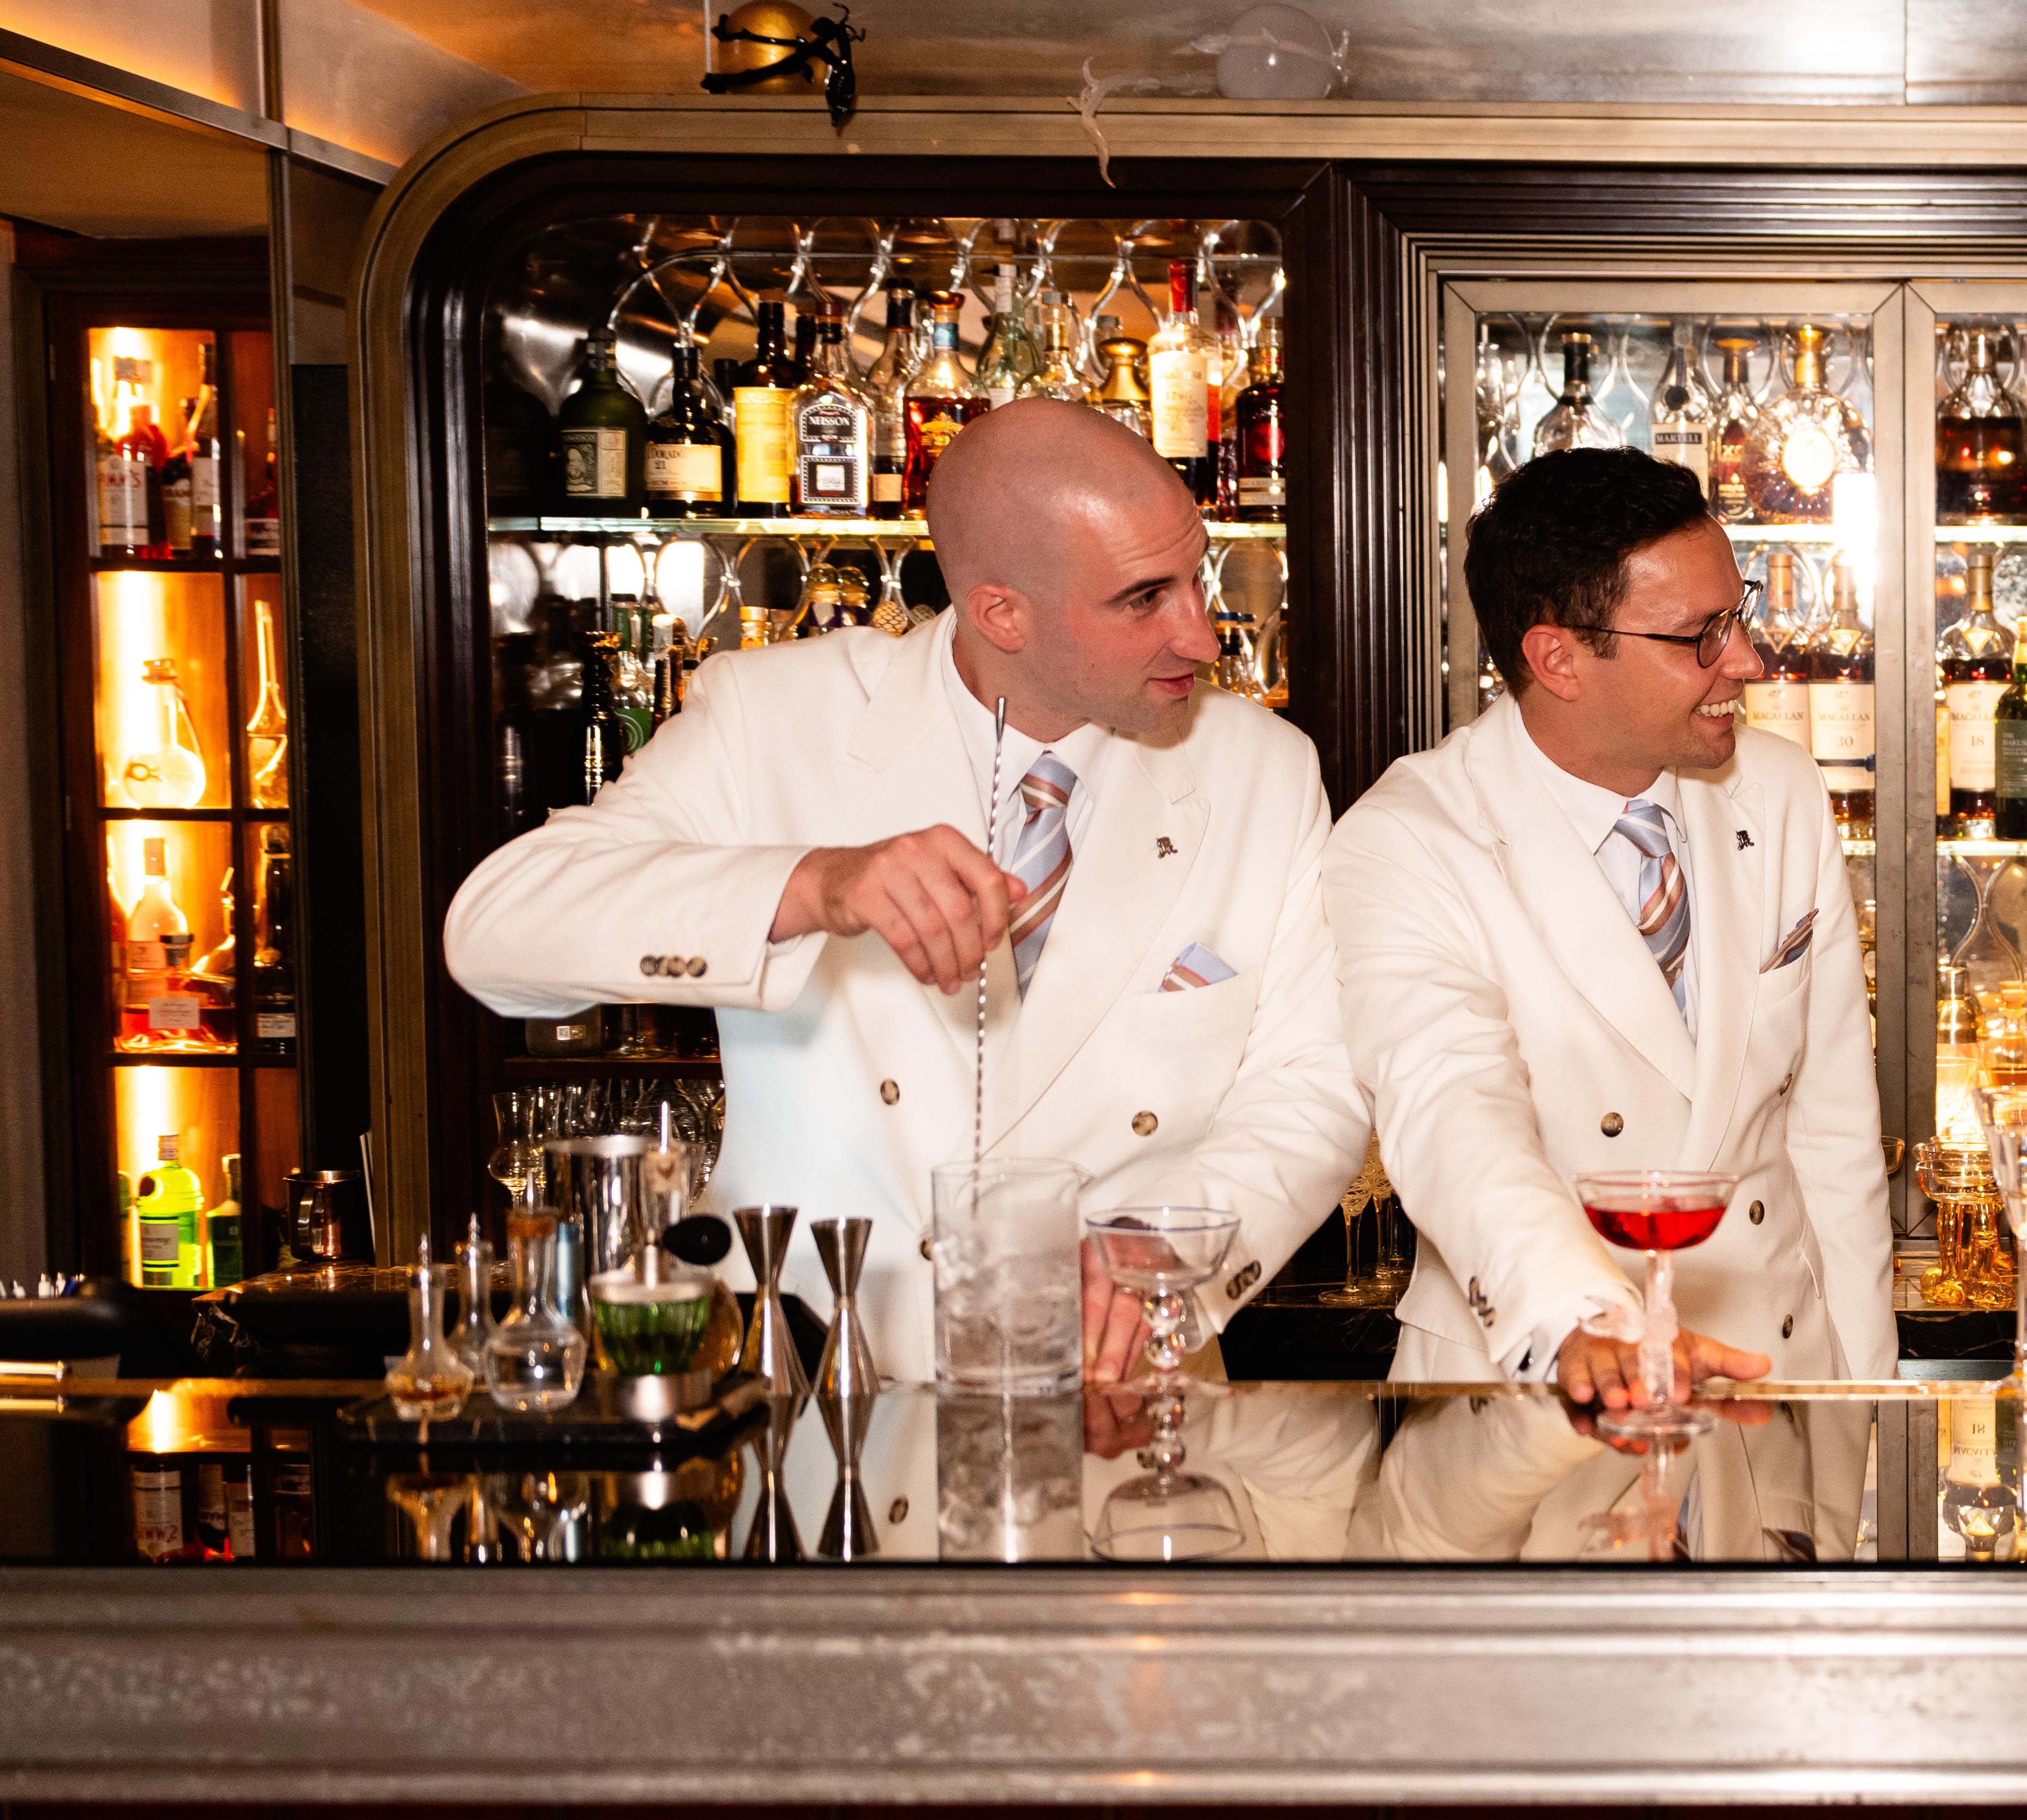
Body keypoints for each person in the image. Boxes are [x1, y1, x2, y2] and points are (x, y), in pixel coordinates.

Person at [445, 399, 1367, 1383]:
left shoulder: (1263, 769)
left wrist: (1167, 1256)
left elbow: (1310, 1087)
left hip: (1115, 1388)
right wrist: (813, 885)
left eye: (1197, 578)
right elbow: (495, 931)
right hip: (810, 1378)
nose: (1202, 636)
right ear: (999, 610)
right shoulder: (773, 716)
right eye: (1145, 599)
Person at [1324, 447, 1892, 1415]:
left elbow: (1834, 1134)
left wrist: (1866, 1414)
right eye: (1698, 637)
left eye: (1738, 613)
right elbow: (1454, 1111)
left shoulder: (1784, 788)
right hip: (1532, 1388)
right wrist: (1574, 1317)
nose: (1747, 662)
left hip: (1772, 1384)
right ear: (1558, 658)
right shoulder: (1407, 838)